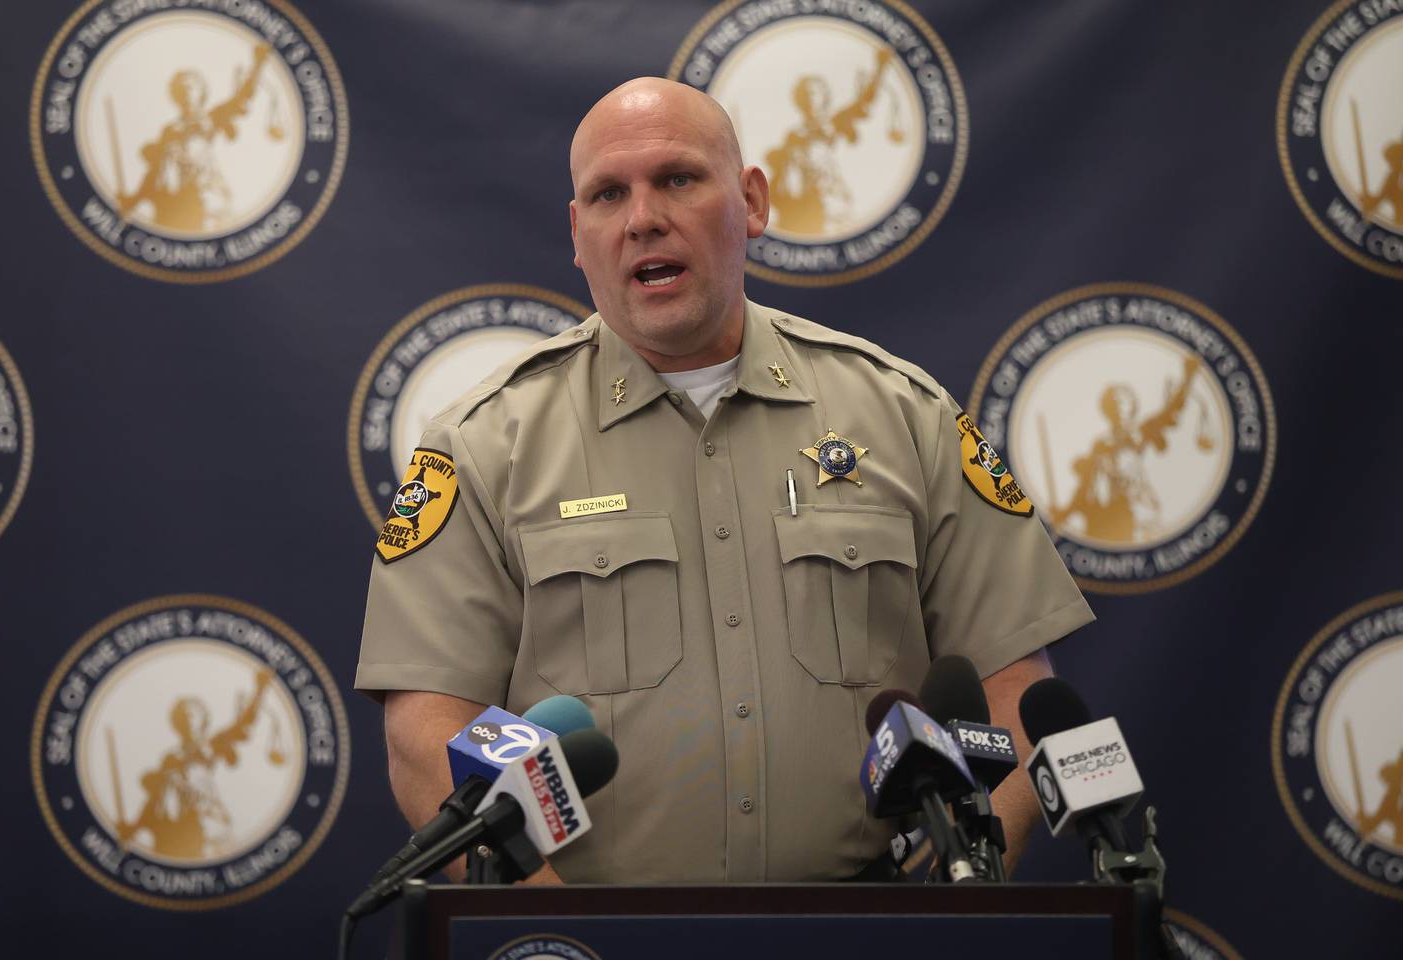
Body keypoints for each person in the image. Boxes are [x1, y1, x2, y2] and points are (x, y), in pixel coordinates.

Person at [355, 77, 1094, 884]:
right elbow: (429, 729)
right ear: (578, 232)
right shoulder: (480, 444)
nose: (643, 219)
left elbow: (1013, 690)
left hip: (874, 932)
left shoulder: (905, 416)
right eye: (608, 194)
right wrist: (548, 928)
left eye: (677, 178)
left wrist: (949, 907)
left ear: (751, 202)